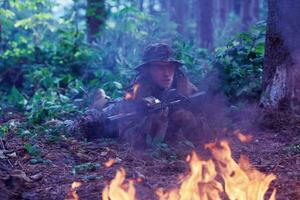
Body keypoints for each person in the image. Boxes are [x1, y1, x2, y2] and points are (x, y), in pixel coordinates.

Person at [72, 43, 203, 148]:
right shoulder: (138, 90)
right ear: (148, 70)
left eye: (170, 67)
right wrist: (152, 120)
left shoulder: (185, 86)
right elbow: (129, 137)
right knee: (90, 123)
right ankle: (102, 102)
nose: (166, 73)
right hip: (123, 109)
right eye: (159, 67)